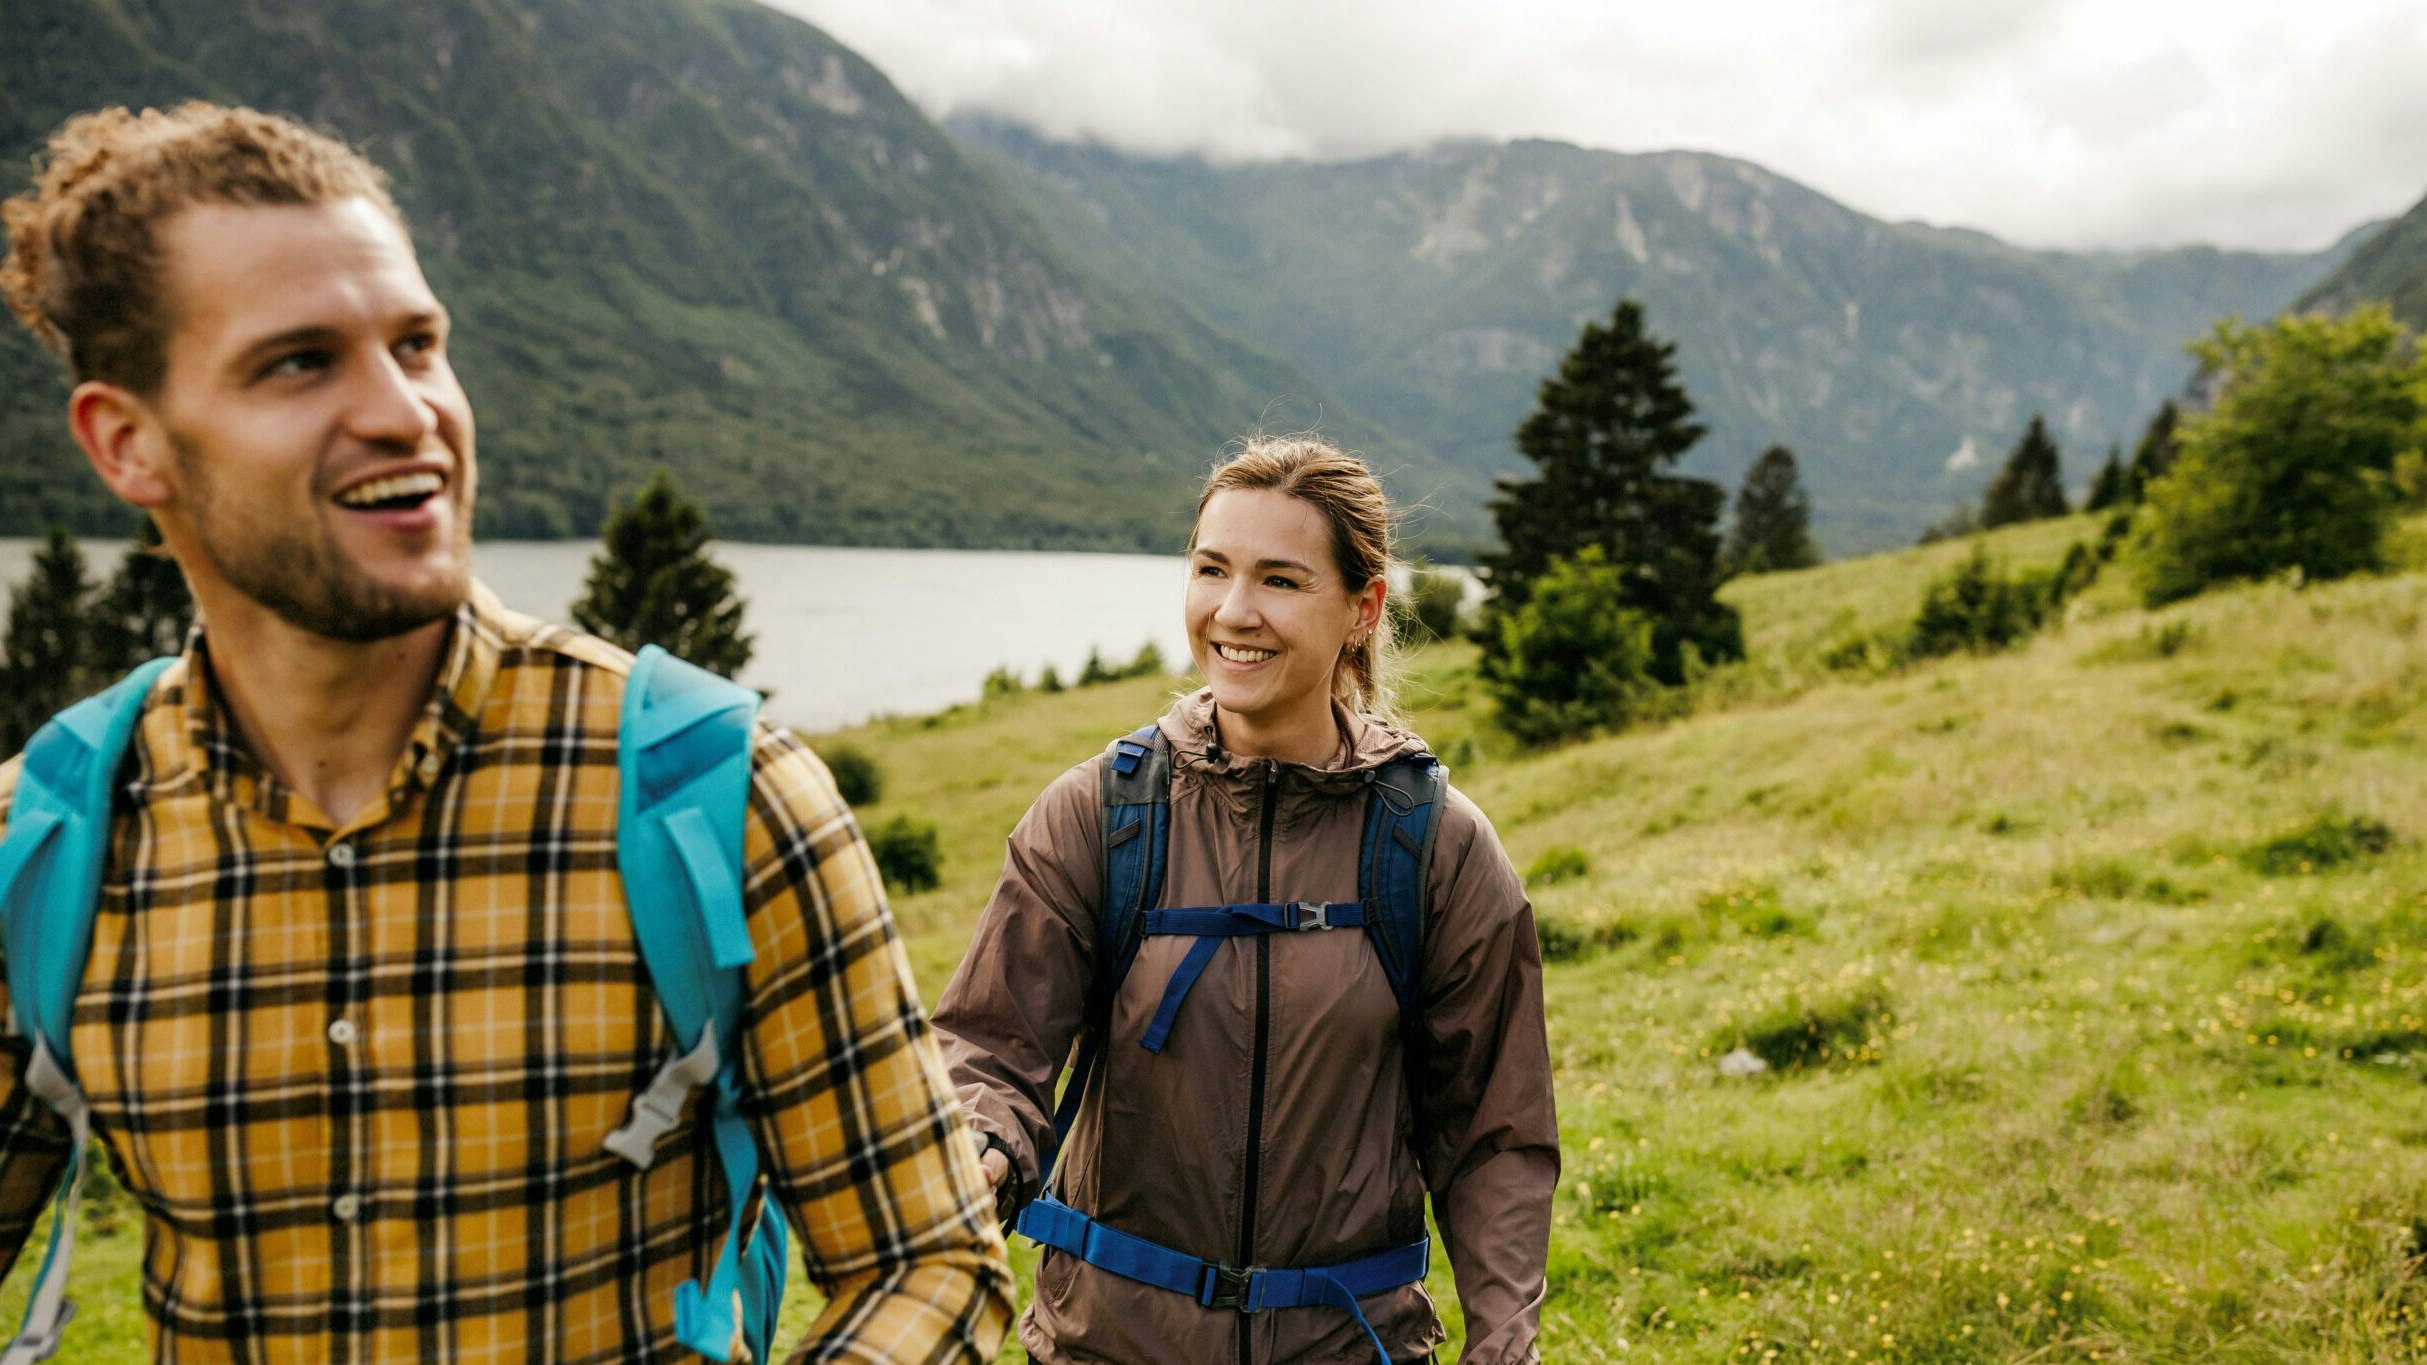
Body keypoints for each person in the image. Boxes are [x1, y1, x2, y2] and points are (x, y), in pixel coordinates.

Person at [0, 102, 1011, 1361]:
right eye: (301, 362)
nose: (405, 412)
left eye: (417, 345)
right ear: (126, 442)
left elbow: (932, 1262)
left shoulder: (717, 794)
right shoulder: (42, 846)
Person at [934, 436, 1559, 1363]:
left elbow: (1494, 1134)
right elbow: (988, 1043)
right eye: (1210, 569)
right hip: (1109, 1344)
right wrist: (985, 1134)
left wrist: (1503, 1340)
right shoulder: (1100, 814)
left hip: (1348, 1346)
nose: (1233, 611)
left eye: (1279, 579)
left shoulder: (1434, 845)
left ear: (1362, 607)